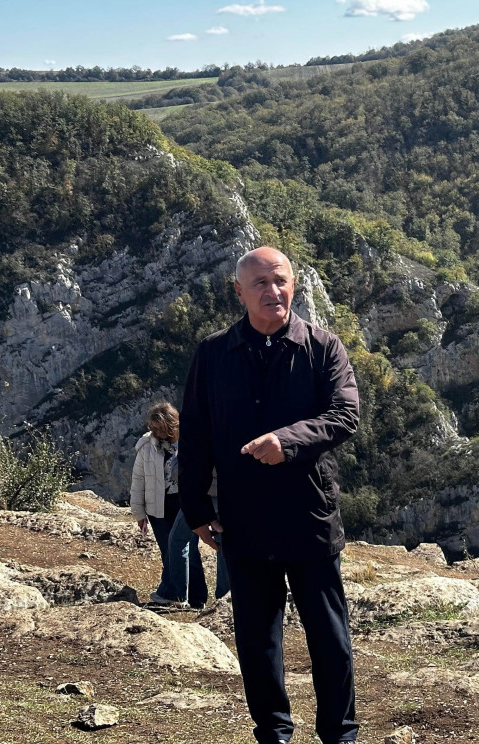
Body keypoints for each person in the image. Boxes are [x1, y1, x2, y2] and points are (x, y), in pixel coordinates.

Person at [179, 246, 360, 744]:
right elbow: (195, 433)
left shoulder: (324, 348)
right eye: (258, 283)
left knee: (330, 639)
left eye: (279, 280)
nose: (271, 291)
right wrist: (195, 507)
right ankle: (273, 734)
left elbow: (346, 415)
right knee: (258, 641)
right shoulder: (213, 354)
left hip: (309, 516)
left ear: (294, 284)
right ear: (239, 292)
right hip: (244, 519)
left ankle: (340, 736)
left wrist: (288, 442)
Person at [129, 402, 199, 607]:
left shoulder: (190, 442)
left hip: (184, 503)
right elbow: (138, 480)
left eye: (159, 428)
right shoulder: (146, 446)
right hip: (157, 506)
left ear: (171, 425)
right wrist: (139, 513)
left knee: (189, 550)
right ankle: (175, 594)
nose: (155, 432)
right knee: (168, 550)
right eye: (152, 427)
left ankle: (193, 597)